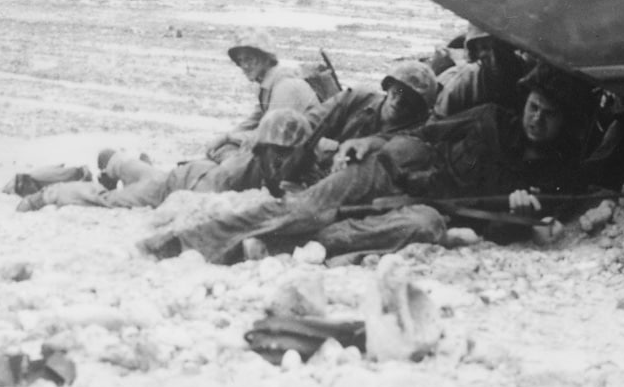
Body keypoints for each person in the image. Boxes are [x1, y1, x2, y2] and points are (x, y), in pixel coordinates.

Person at [157, 67, 595, 263]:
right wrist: (369, 141)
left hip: (428, 205)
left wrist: (517, 216)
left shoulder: (553, 177)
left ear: (565, 122)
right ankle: (188, 241)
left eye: (549, 114)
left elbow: (497, 230)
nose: (536, 119)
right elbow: (426, 131)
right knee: (306, 208)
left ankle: (304, 245)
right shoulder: (491, 118)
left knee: (425, 229)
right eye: (534, 107)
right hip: (390, 166)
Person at [16, 109, 314, 212]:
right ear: (262, 150)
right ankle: (48, 193)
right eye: (276, 152)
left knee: (150, 176)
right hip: (177, 186)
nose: (281, 161)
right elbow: (195, 205)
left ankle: (116, 161)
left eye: (288, 153)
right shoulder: (234, 174)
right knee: (111, 199)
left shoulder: (294, 165)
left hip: (188, 172)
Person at [295, 60, 439, 177]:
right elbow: (309, 123)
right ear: (388, 88)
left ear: (419, 109)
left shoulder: (417, 135)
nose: (398, 102)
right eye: (397, 92)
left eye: (409, 99)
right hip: (314, 169)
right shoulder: (357, 98)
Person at [202, 36, 318, 160]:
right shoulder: (268, 85)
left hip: (303, 154)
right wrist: (225, 139)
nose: (244, 66)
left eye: (249, 59)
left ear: (266, 58)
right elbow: (252, 121)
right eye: (240, 61)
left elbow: (272, 136)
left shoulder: (285, 86)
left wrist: (228, 138)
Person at [433, 28, 530, 117]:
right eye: (485, 48)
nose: (494, 58)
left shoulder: (528, 74)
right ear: (476, 53)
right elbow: (436, 125)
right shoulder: (462, 83)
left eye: (499, 47)